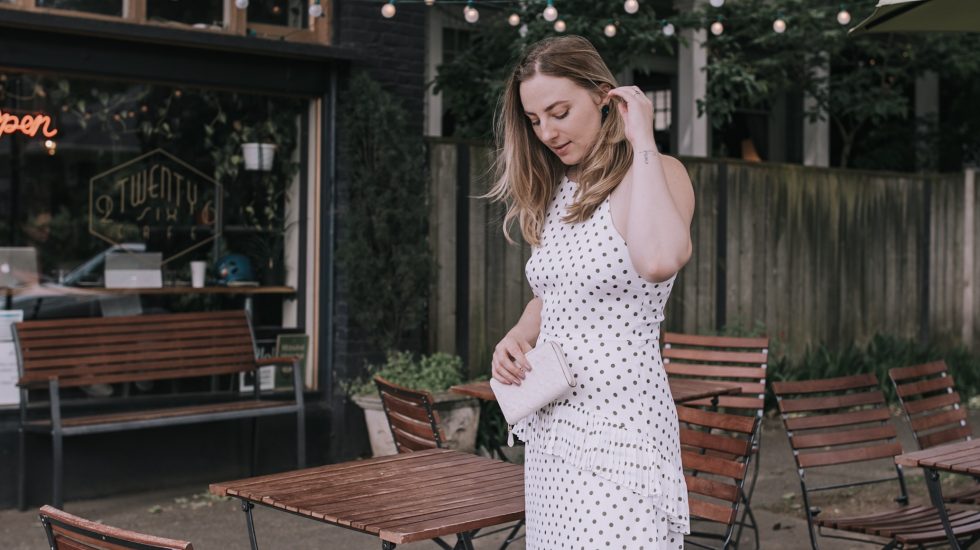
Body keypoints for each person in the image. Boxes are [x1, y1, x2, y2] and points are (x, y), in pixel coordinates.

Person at [488, 35, 695, 548]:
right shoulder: (560, 191)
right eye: (535, 121)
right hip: (553, 430)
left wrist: (642, 139)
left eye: (559, 112)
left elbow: (659, 260)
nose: (548, 132)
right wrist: (516, 336)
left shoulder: (659, 172)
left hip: (621, 432)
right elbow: (557, 291)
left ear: (605, 96)